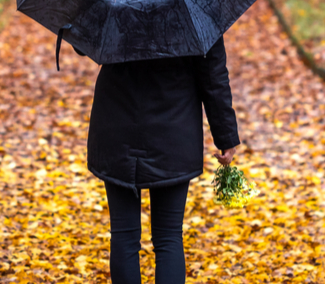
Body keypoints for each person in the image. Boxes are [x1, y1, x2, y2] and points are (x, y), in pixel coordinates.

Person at [86, 36, 240, 284]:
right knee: (168, 235)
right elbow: (213, 75)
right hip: (173, 128)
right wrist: (226, 135)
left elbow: (86, 43)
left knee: (124, 234)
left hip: (117, 123)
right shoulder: (195, 13)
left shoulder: (113, 9)